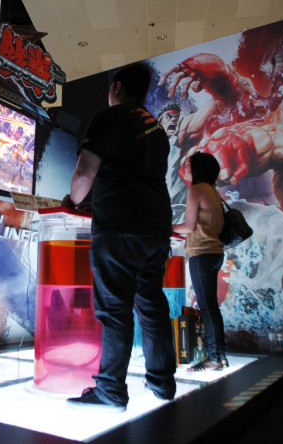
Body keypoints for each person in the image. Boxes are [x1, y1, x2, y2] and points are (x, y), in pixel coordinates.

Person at [62, 62, 176, 412]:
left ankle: (111, 390)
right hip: (156, 228)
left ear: (117, 86)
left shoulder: (108, 118)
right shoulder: (156, 129)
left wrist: (72, 201)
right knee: (151, 305)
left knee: (115, 309)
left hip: (120, 226)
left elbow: (84, 172)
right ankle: (162, 383)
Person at [172, 152, 228, 371]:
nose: (185, 167)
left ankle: (214, 358)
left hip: (201, 253)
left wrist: (162, 227)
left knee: (207, 307)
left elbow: (188, 227)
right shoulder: (212, 190)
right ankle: (220, 355)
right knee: (210, 307)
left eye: (188, 164)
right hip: (214, 253)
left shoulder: (196, 189)